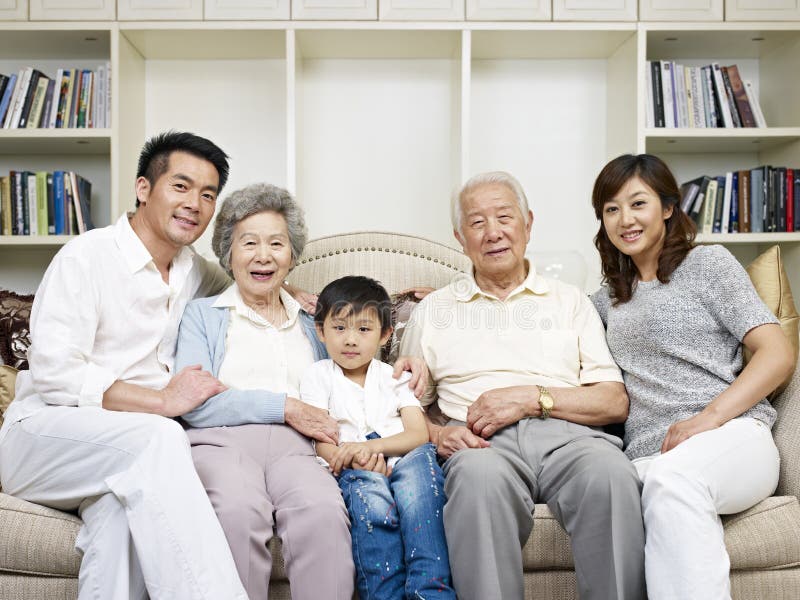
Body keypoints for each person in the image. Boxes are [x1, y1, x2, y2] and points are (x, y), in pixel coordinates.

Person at [0, 131, 248, 599]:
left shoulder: (196, 272)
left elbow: (245, 286)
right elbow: (55, 373)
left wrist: (289, 296)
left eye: (208, 193)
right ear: (143, 188)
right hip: (42, 438)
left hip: (116, 455)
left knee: (121, 525)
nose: (195, 203)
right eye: (180, 186)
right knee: (159, 436)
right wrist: (160, 401)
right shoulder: (86, 257)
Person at [399, 171, 646, 600]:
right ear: (460, 237)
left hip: (572, 438)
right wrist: (440, 434)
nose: (493, 232)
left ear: (528, 224)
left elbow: (613, 400)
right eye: (477, 223)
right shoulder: (434, 310)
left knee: (610, 476)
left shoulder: (570, 301)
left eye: (504, 217)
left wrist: (533, 399)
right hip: (480, 444)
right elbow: (403, 405)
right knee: (476, 482)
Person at [175, 185, 428, 599]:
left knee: (323, 513)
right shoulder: (203, 315)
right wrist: (284, 406)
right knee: (238, 513)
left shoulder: (315, 321)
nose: (263, 255)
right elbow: (195, 404)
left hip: (303, 448)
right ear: (228, 253)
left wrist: (411, 359)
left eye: (276, 243)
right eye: (249, 243)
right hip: (222, 443)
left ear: (292, 255)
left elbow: (364, 360)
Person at [589, 153, 795, 600]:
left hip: (732, 436)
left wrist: (708, 419)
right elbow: (551, 322)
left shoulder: (708, 265)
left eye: (638, 203)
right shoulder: (608, 299)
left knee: (673, 479)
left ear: (667, 208)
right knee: (653, 483)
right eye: (611, 209)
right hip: (649, 457)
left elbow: (777, 352)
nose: (625, 219)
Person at [300, 275, 455, 600]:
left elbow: (417, 434)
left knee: (420, 500)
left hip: (404, 456)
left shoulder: (396, 378)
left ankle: (430, 592)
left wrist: (372, 447)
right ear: (320, 330)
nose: (351, 340)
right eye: (339, 328)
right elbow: (321, 438)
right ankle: (385, 594)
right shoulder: (317, 376)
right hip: (354, 464)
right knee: (372, 504)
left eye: (364, 329)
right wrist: (357, 456)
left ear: (385, 335)